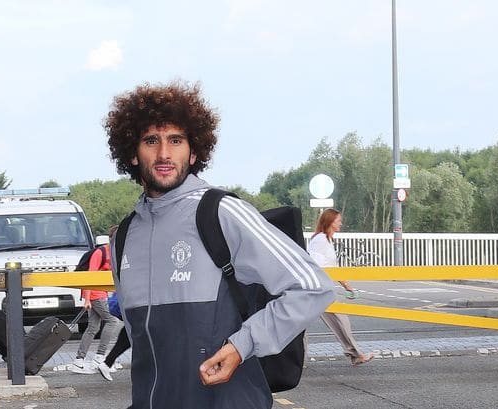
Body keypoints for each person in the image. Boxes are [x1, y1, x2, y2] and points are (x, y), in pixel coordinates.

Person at [104, 81, 335, 409]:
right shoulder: (124, 238)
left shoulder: (221, 212)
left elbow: (313, 287)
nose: (164, 153)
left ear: (193, 151)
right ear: (132, 152)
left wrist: (242, 346)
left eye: (176, 140)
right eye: (151, 140)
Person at [307, 208, 374, 365]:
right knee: (340, 320)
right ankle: (356, 354)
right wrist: (344, 285)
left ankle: (355, 354)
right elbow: (318, 265)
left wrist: (346, 285)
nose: (341, 223)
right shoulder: (320, 240)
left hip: (320, 289)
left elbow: (332, 267)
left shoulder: (327, 240)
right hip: (319, 290)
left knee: (301, 326)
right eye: (338, 220)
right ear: (330, 222)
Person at [71, 235, 124, 380]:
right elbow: (90, 276)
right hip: (95, 294)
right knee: (112, 321)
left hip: (100, 293)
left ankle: (79, 361)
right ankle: (100, 357)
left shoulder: (113, 252)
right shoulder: (100, 253)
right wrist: (87, 299)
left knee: (92, 327)